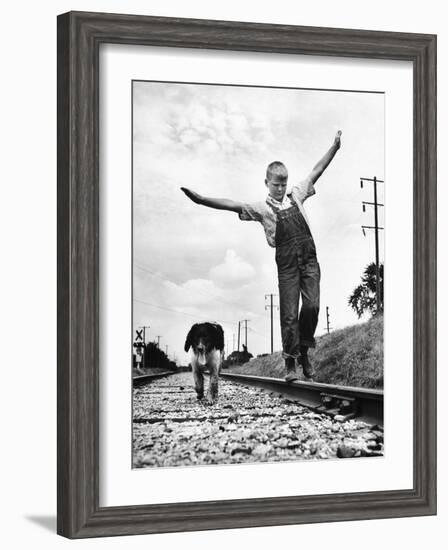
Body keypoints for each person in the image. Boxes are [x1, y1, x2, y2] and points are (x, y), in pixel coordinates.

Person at [181, 131, 342, 382]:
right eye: (276, 184)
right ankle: (291, 363)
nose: (280, 189)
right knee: (289, 314)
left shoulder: (296, 195)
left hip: (309, 259)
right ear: (266, 182)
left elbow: (316, 171)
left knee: (312, 306)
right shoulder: (261, 208)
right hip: (287, 264)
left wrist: (334, 148)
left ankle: (303, 350)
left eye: (283, 184)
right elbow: (231, 203)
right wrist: (201, 200)